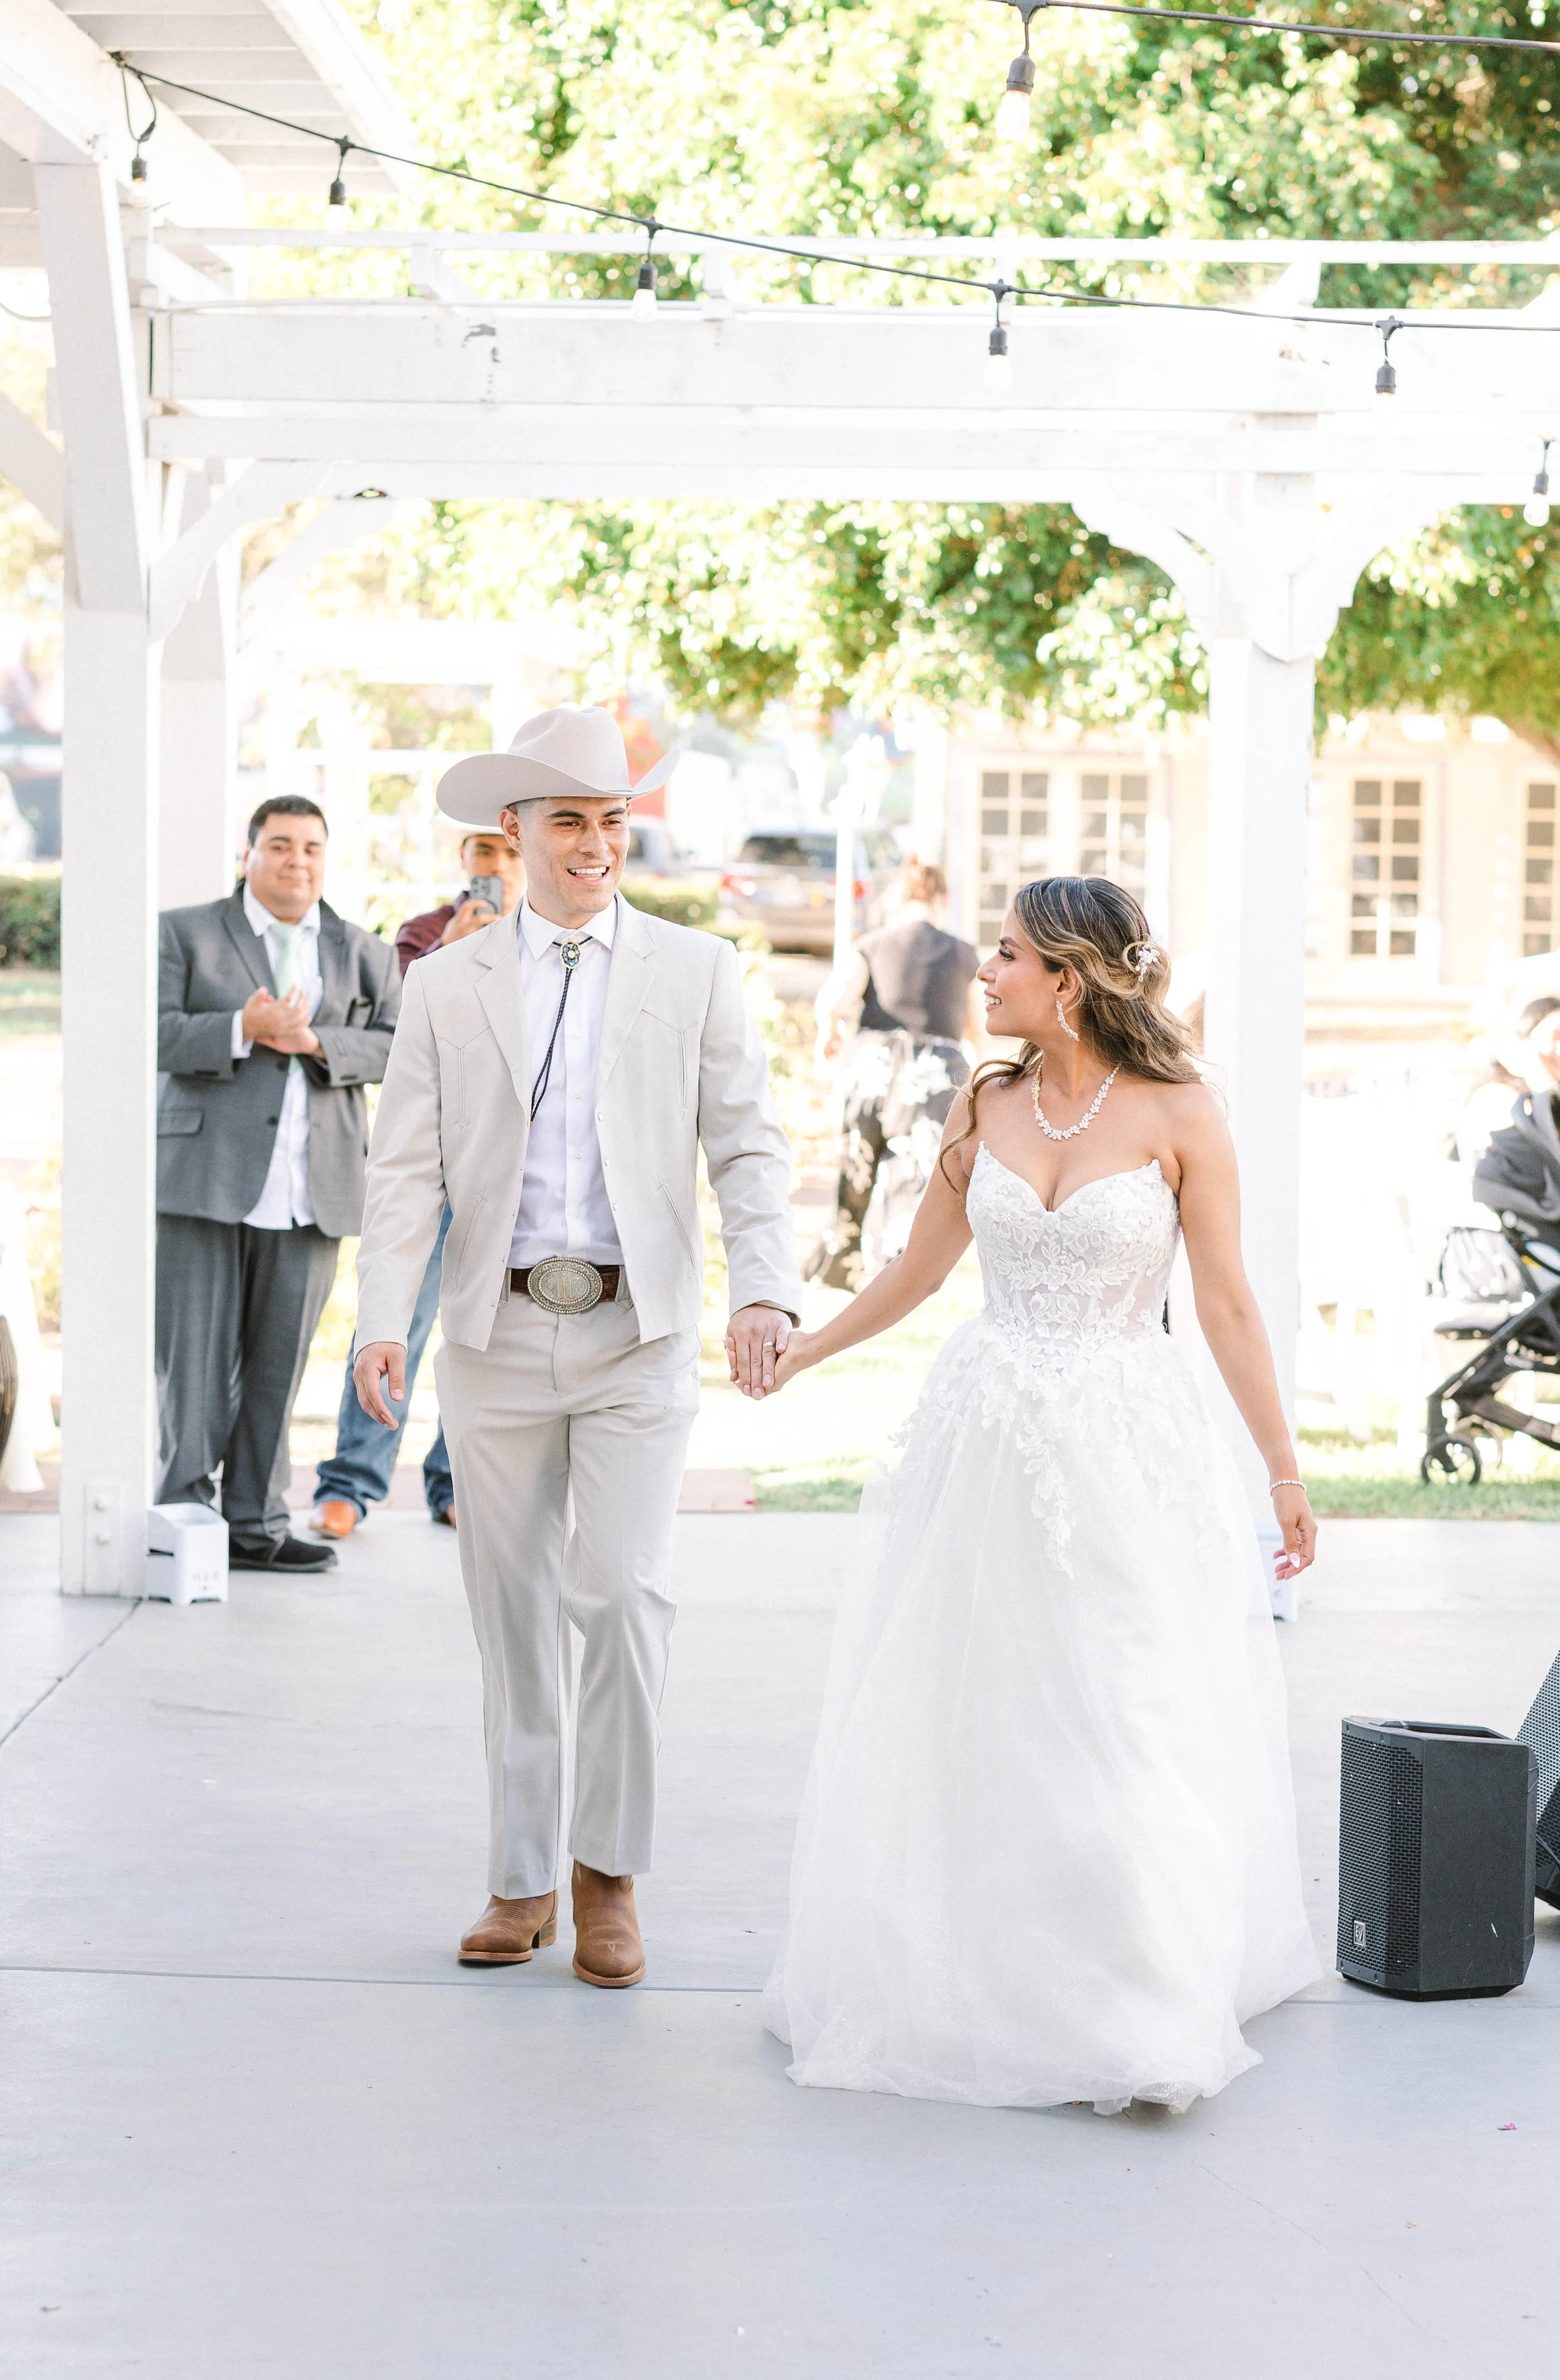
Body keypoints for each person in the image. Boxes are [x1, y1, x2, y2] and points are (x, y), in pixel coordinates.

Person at [760, 874, 1320, 2113]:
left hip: (1127, 1444)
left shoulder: (1181, 1112)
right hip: (986, 1441)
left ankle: (1139, 1997)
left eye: (1005, 955)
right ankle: (978, 1977)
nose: (984, 971)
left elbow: (1224, 1303)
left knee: (1125, 1700)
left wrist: (1280, 1468)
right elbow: (914, 1270)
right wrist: (806, 1348)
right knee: (979, 1701)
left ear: (1064, 979)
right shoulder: (985, 1104)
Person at [351, 706, 801, 1985]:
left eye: (611, 820)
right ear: (518, 831)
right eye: (570, 821)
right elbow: (403, 1173)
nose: (595, 842)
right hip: (491, 1335)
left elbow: (747, 1147)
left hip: (633, 1334)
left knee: (619, 1593)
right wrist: (385, 1318)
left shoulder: (693, 969)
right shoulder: (444, 981)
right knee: (510, 1612)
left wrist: (763, 1287)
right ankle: (519, 1876)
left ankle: (609, 1876)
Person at [155, 797, 401, 1573]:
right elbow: (149, 1029)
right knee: (190, 1366)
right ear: (250, 852)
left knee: (276, 1368)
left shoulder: (364, 951)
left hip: (313, 1187)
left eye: (312, 849)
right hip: (204, 1181)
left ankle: (255, 1527)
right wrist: (242, 1029)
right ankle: (184, 1524)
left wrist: (316, 1039)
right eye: (281, 846)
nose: (297, 861)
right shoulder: (186, 931)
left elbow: (397, 1046)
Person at [309, 828, 527, 1540]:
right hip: (432, 1167)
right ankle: (351, 1482)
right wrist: (455, 951)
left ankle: (454, 1479)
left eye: (511, 854)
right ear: (464, 859)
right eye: (486, 853)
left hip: (513, 1174)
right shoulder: (425, 933)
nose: (498, 867)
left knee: (487, 1339)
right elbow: (404, 1033)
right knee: (395, 1320)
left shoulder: (555, 942)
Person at [806, 857, 983, 1289]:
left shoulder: (872, 944)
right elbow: (975, 1026)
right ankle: (896, 1272)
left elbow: (832, 1001)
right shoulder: (963, 953)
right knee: (914, 1173)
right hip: (933, 1073)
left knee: (858, 1164)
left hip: (873, 1063)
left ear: (899, 897)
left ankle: (841, 1260)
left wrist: (828, 1036)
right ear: (942, 899)